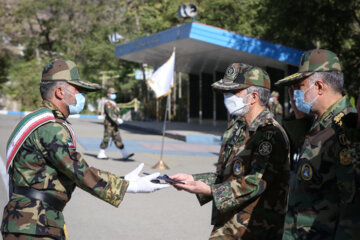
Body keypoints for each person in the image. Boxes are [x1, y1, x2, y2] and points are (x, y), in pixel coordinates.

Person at [1, 59, 168, 240]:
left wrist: (122, 179)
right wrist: (130, 186)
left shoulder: (40, 121)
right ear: (59, 92)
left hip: (30, 221)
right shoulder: (51, 127)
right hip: (35, 225)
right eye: (77, 90)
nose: (81, 96)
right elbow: (78, 171)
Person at [171, 63, 291, 239]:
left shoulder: (270, 134)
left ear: (253, 97)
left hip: (255, 228)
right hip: (230, 225)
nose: (227, 97)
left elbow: (255, 182)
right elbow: (229, 175)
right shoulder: (237, 128)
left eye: (233, 92)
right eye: (226, 92)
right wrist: (193, 180)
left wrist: (211, 191)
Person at [274, 49, 358, 239]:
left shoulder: (345, 129)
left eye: (299, 86)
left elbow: (352, 207)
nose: (293, 93)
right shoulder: (321, 123)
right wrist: (298, 117)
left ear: (319, 87)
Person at [97, 88, 134, 160]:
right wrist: (117, 120)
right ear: (108, 94)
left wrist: (117, 120)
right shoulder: (108, 103)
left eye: (115, 94)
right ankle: (101, 153)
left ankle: (125, 154)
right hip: (109, 123)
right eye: (112, 93)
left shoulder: (113, 103)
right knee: (106, 138)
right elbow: (110, 114)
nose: (114, 95)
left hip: (114, 124)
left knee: (118, 138)